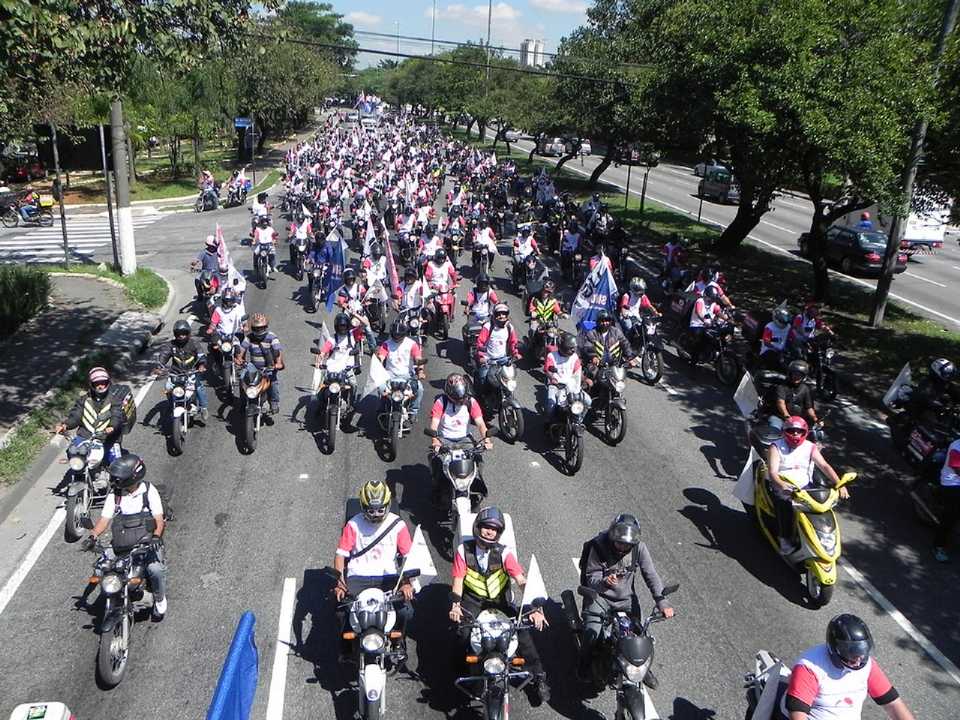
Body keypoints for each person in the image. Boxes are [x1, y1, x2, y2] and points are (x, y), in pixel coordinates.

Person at [448, 507, 548, 706]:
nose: (489, 532)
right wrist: (456, 605)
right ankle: (464, 668)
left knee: (523, 635)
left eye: (494, 529)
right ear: (478, 527)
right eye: (486, 527)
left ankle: (538, 678)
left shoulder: (504, 553)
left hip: (500, 601)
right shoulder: (463, 550)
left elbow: (520, 580)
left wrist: (535, 607)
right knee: (463, 632)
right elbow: (458, 580)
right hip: (473, 600)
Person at [577, 514, 674, 684]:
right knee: (592, 634)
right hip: (600, 598)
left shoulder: (639, 548)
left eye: (627, 545)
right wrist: (604, 582)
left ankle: (642, 667)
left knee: (642, 636)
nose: (622, 548)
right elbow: (591, 577)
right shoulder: (598, 547)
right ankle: (584, 664)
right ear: (612, 536)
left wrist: (662, 602)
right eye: (619, 543)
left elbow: (651, 575)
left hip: (626, 600)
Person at [82, 454, 168, 619]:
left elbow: (159, 520)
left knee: (155, 570)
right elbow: (104, 520)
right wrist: (92, 535)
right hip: (122, 545)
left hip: (146, 544)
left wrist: (156, 537)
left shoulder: (149, 491)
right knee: (101, 568)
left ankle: (159, 597)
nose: (116, 482)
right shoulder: (115, 496)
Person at [334, 480, 415, 653]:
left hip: (388, 577)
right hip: (357, 577)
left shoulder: (398, 525)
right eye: (371, 510)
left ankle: (398, 639)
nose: (376, 514)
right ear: (364, 507)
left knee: (405, 611)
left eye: (380, 510)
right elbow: (341, 554)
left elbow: (409, 556)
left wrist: (406, 582)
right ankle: (346, 646)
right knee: (342, 611)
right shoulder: (353, 525)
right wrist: (340, 582)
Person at [785, 614, 916, 720]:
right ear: (835, 648)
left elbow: (893, 704)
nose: (858, 659)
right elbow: (798, 715)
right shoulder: (809, 668)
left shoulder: (867, 666)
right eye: (852, 652)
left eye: (862, 651)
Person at [766, 416, 847, 553]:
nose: (795, 434)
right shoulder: (776, 447)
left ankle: (819, 538)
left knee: (822, 505)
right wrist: (781, 484)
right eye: (792, 431)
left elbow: (824, 466)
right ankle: (784, 538)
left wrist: (839, 484)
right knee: (785, 505)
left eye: (799, 431)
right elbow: (773, 472)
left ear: (805, 432)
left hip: (804, 486)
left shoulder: (810, 447)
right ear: (785, 431)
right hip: (783, 486)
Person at [428, 374, 493, 502]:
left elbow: (480, 423)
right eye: (456, 399)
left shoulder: (471, 402)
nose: (459, 401)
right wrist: (435, 441)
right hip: (445, 439)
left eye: (462, 399)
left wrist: (486, 439)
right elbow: (434, 424)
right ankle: (438, 489)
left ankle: (475, 484)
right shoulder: (441, 402)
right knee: (437, 462)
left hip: (464, 439)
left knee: (477, 460)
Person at [55, 367, 124, 465]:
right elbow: (76, 415)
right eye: (97, 383)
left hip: (108, 438)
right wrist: (65, 425)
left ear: (108, 382)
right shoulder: (84, 400)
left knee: (116, 464)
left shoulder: (115, 400)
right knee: (73, 452)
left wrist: (111, 426)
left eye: (103, 382)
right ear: (92, 384)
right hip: (85, 436)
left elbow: (116, 415)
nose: (100, 386)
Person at [154, 320, 209, 422]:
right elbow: (164, 355)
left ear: (188, 333)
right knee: (168, 387)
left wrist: (201, 365)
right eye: (179, 334)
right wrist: (159, 367)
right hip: (175, 373)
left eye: (184, 334)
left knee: (199, 387)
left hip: (192, 372)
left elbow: (201, 355)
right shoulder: (171, 345)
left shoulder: (194, 344)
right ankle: (172, 405)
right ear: (175, 334)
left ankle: (204, 407)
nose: (181, 336)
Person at [375, 320, 425, 422]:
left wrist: (420, 371)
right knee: (381, 388)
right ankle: (383, 406)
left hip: (407, 375)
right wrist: (377, 362)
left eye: (399, 335)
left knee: (419, 389)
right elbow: (381, 356)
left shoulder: (412, 344)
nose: (397, 337)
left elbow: (418, 358)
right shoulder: (386, 344)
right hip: (390, 374)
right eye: (395, 335)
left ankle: (413, 411)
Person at [235, 313, 284, 414]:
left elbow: (278, 352)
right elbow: (242, 349)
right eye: (256, 328)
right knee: (242, 379)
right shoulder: (249, 337)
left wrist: (278, 364)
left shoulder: (272, 337)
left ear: (265, 327)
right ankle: (243, 401)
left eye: (261, 328)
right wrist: (239, 359)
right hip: (253, 367)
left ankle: (274, 402)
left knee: (273, 383)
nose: (259, 331)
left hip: (268, 367)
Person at [544, 332, 591, 421]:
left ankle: (578, 421)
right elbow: (547, 370)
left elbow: (578, 371)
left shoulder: (574, 357)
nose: (573, 350)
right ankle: (549, 422)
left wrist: (585, 379)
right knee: (551, 406)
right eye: (570, 348)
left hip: (571, 386)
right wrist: (552, 378)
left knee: (588, 401)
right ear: (562, 347)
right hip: (556, 386)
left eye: (573, 348)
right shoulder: (552, 356)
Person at [475, 303, 522, 392]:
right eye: (499, 314)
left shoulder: (509, 327)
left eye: (504, 314)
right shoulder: (488, 327)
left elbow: (513, 342)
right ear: (495, 315)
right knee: (483, 380)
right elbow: (480, 343)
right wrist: (481, 357)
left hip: (503, 359)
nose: (501, 316)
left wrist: (515, 353)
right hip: (489, 360)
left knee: (509, 378)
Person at [578, 309, 636, 374]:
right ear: (598, 322)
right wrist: (593, 357)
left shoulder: (616, 332)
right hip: (597, 365)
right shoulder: (592, 333)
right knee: (591, 380)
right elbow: (588, 347)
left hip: (613, 365)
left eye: (607, 320)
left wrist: (630, 358)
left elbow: (625, 344)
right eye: (602, 321)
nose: (605, 323)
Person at [768, 360, 818, 427]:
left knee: (815, 432)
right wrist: (786, 416)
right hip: (780, 417)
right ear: (790, 374)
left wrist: (815, 418)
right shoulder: (782, 387)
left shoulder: (805, 389)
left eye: (800, 375)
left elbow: (809, 408)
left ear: (804, 376)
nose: (796, 377)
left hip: (797, 420)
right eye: (794, 374)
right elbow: (780, 402)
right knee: (775, 428)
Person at [933, 436, 960, 562]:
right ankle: (938, 546)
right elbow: (957, 468)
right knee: (951, 515)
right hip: (952, 482)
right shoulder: (957, 446)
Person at [687, 285, 724, 366]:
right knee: (700, 341)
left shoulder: (713, 304)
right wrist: (704, 320)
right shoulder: (700, 301)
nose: (712, 300)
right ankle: (693, 362)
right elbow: (698, 312)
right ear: (706, 296)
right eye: (711, 298)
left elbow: (718, 312)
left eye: (713, 298)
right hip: (696, 325)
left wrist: (727, 319)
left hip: (707, 326)